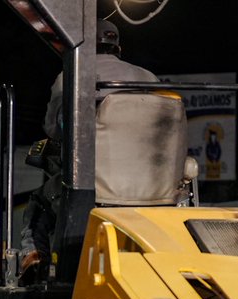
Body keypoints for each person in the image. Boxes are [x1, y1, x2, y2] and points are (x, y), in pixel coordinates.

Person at [24, 19, 159, 273]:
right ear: (117, 47)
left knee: (39, 202)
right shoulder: (149, 78)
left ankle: (34, 263)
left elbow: (53, 129)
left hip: (93, 186)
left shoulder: (71, 77)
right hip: (153, 188)